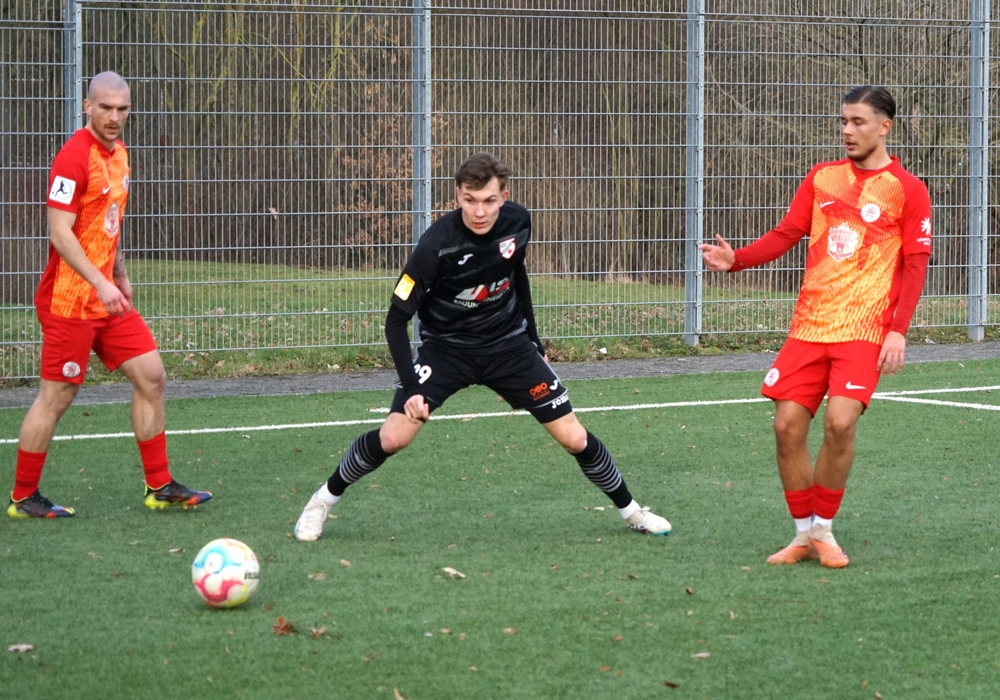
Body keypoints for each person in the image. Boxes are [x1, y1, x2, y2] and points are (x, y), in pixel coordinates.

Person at [294, 153, 671, 541]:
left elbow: (516, 273)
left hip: (508, 346)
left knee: (575, 438)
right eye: (470, 200)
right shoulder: (434, 247)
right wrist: (411, 387)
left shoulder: (518, 223)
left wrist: (533, 339)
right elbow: (395, 321)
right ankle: (320, 502)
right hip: (447, 350)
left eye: (489, 200)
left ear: (503, 197)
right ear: (457, 195)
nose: (479, 211)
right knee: (393, 438)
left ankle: (633, 512)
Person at [699, 86, 931, 568]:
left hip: (864, 328)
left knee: (840, 422)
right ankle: (803, 535)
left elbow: (914, 264)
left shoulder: (908, 189)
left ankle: (823, 530)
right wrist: (738, 260)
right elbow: (787, 232)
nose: (847, 130)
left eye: (858, 122)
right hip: (809, 326)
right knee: (786, 427)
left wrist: (898, 330)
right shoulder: (822, 178)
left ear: (884, 127)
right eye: (844, 121)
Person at [7, 71, 212, 519]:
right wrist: (98, 282)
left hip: (107, 298)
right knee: (57, 396)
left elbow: (109, 217)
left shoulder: (120, 155)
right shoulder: (72, 158)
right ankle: (23, 498)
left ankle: (159, 486)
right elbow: (60, 233)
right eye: (105, 108)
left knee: (152, 376)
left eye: (122, 109)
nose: (114, 117)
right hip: (69, 302)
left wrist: (118, 273)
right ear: (87, 107)